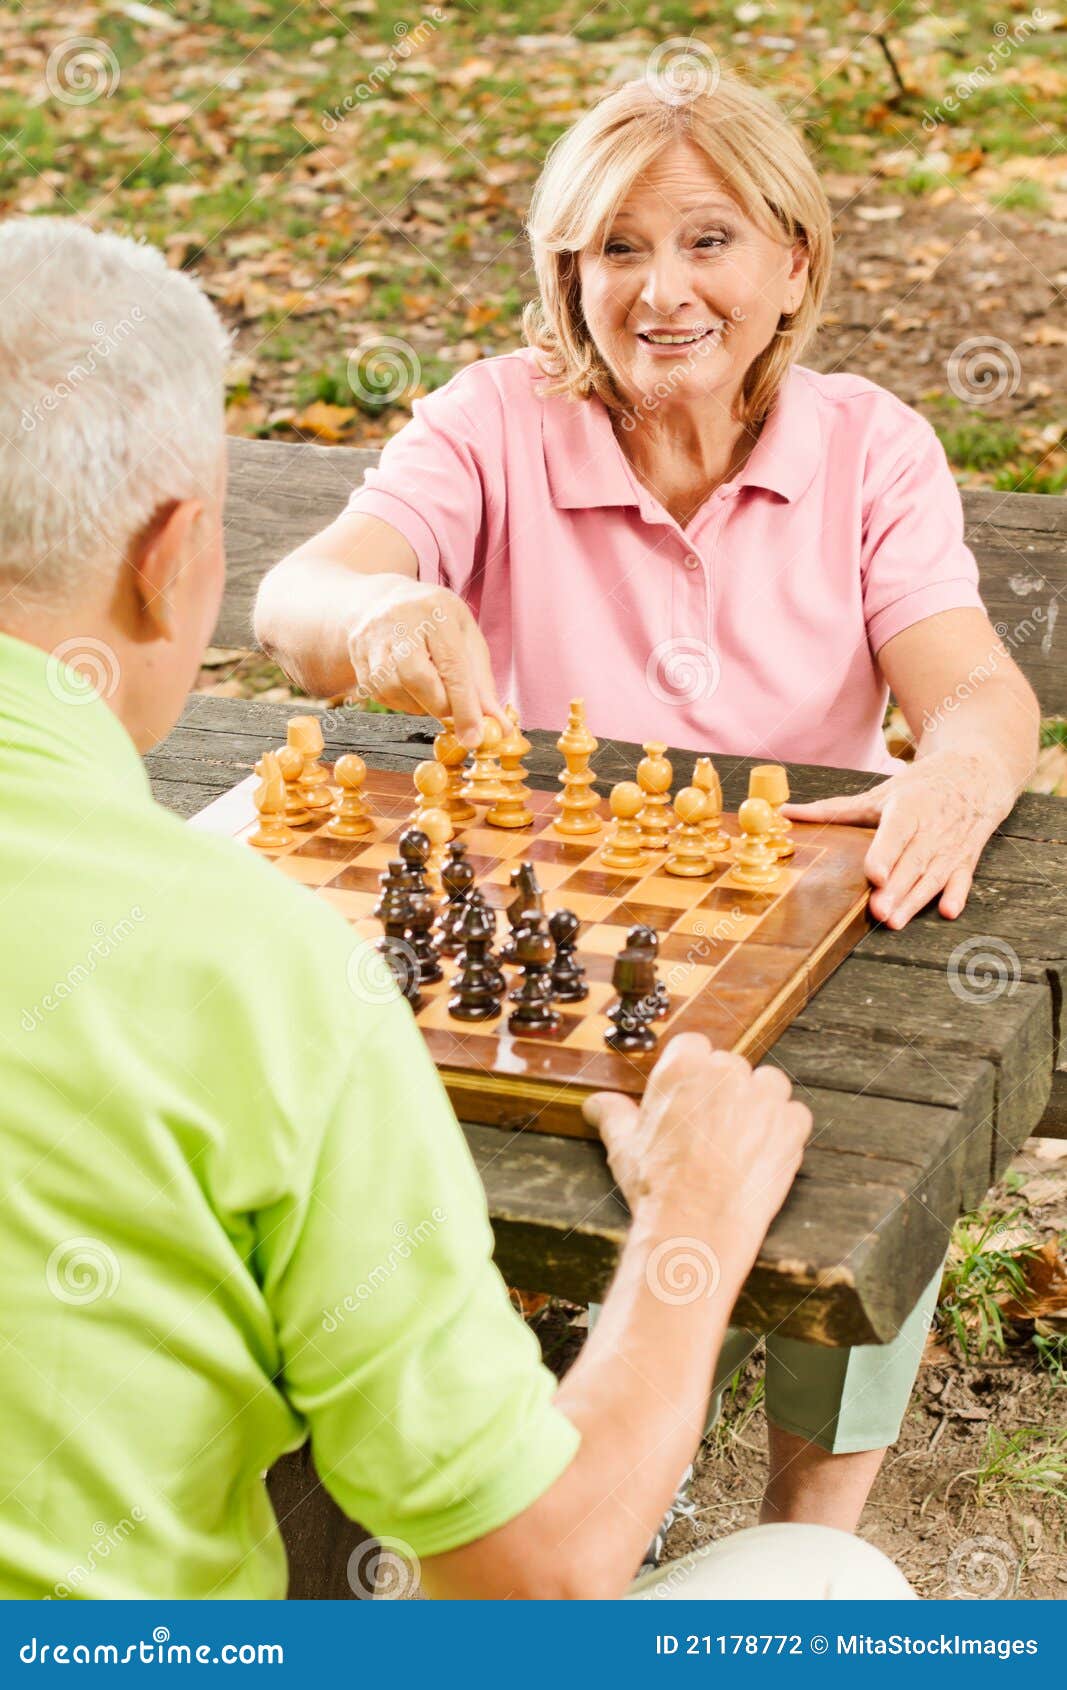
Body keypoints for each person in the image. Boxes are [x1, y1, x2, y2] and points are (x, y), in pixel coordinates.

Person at [0, 218, 916, 1601]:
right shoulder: (260, 966)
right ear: (173, 556)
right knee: (830, 1591)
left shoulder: (862, 448)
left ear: (792, 262)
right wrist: (690, 1228)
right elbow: (529, 1578)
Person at [254, 72, 1039, 1545]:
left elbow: (979, 691)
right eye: (615, 248)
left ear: (793, 260)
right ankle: (498, 1490)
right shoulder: (495, 417)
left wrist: (964, 765)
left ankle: (808, 1537)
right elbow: (295, 590)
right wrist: (378, 609)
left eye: (708, 239)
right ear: (567, 275)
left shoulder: (870, 447)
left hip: (793, 925)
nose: (661, 289)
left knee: (887, 1139)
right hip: (544, 946)